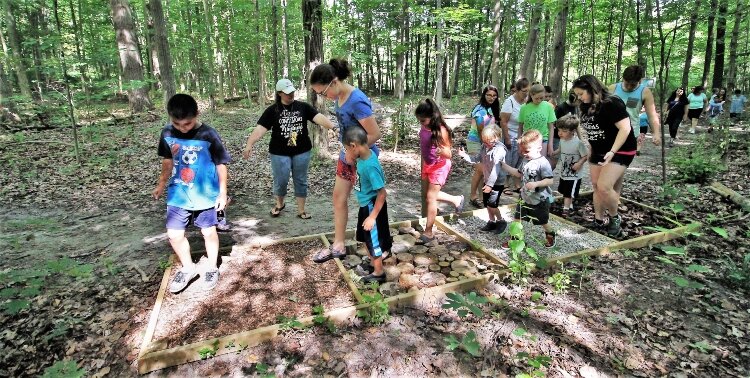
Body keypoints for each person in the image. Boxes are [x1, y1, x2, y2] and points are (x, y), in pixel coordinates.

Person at [152, 94, 232, 293]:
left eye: (187, 123)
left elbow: (221, 164)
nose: (182, 128)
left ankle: (212, 267)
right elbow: (167, 160)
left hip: (206, 194)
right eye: (177, 124)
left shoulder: (208, 135)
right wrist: (161, 184)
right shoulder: (167, 133)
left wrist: (222, 193)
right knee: (174, 234)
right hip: (179, 193)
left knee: (208, 231)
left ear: (197, 114)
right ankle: (188, 267)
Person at [309, 58, 383, 263]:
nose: (323, 97)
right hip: (347, 155)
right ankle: (338, 245)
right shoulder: (339, 97)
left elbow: (374, 134)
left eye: (323, 93)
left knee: (367, 204)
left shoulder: (356, 100)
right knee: (338, 197)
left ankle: (377, 250)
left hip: (363, 159)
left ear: (334, 82)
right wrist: (346, 151)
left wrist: (354, 153)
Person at [243, 79, 335, 219]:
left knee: (301, 179)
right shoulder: (272, 110)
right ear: (279, 93)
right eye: (287, 93)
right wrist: (249, 144)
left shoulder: (303, 107)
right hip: (279, 152)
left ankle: (301, 210)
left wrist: (332, 127)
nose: (290, 95)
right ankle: (280, 204)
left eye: (292, 92)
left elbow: (318, 117)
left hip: (302, 150)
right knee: (281, 179)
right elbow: (260, 129)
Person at [572, 75, 637, 237]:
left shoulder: (611, 103)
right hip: (598, 150)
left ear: (592, 89)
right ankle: (598, 220)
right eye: (577, 95)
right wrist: (591, 150)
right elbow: (593, 131)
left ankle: (615, 219)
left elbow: (625, 128)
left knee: (604, 186)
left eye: (581, 94)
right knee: (596, 186)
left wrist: (612, 151)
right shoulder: (585, 106)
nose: (579, 98)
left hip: (620, 149)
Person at [342, 126, 392, 283]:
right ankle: (373, 264)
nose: (346, 152)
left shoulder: (370, 166)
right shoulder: (362, 158)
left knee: (373, 240)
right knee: (366, 238)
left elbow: (382, 193)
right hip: (366, 206)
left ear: (353, 146)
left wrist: (372, 217)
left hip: (372, 207)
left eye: (346, 149)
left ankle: (379, 273)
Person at [416, 98, 465, 242]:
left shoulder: (442, 130)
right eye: (419, 121)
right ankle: (456, 200)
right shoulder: (425, 127)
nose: (421, 123)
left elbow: (449, 154)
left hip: (440, 165)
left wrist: (440, 151)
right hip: (428, 164)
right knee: (429, 195)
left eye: (423, 120)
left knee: (431, 197)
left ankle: (429, 231)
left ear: (432, 117)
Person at [501, 129, 556, 248]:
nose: (523, 153)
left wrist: (536, 184)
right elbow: (519, 173)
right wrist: (504, 166)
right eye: (522, 151)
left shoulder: (543, 163)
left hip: (539, 199)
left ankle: (550, 233)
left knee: (542, 221)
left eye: (526, 151)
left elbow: (550, 180)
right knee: (517, 219)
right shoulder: (526, 160)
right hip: (524, 197)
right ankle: (515, 240)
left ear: (539, 148)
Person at [458, 127, 508, 234]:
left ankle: (501, 221)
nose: (485, 143)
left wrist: (490, 185)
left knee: (492, 204)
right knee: (486, 203)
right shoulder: (485, 146)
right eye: (484, 140)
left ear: (496, 138)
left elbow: (496, 169)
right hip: (487, 179)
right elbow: (477, 158)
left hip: (497, 182)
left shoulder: (500, 150)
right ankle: (491, 221)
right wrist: (465, 156)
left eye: (488, 140)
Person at [609, 65, 661, 153]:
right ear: (623, 78)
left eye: (632, 85)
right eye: (627, 83)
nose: (629, 87)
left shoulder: (645, 92)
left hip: (631, 133)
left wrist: (656, 133)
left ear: (640, 80)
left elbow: (652, 115)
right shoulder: (612, 89)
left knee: (621, 161)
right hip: (610, 131)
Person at [468, 85, 501, 208]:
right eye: (488, 95)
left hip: (487, 142)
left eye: (494, 95)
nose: (491, 98)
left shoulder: (493, 109)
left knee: (483, 171)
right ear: (484, 95)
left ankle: (482, 197)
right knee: (481, 169)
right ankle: (472, 196)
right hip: (475, 141)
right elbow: (480, 128)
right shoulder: (479, 109)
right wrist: (487, 144)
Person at [552, 115, 589, 218]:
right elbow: (560, 149)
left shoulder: (578, 143)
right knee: (564, 190)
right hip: (564, 172)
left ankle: (566, 209)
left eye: (564, 131)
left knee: (568, 193)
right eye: (559, 130)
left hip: (574, 174)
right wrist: (554, 152)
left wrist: (579, 163)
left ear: (572, 131)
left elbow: (585, 156)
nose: (560, 133)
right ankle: (570, 205)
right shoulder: (562, 140)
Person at [500, 78, 531, 193]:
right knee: (509, 160)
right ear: (517, 90)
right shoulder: (510, 102)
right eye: (524, 91)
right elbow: (503, 122)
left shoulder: (527, 102)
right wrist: (507, 138)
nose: (526, 93)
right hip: (511, 135)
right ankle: (505, 183)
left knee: (520, 160)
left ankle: (517, 183)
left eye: (528, 90)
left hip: (523, 136)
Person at [518, 83, 557, 158]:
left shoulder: (548, 107)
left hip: (543, 140)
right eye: (536, 98)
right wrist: (519, 143)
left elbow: (551, 128)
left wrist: (550, 145)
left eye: (541, 98)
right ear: (531, 95)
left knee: (540, 163)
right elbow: (520, 127)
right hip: (527, 141)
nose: (539, 100)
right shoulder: (524, 107)